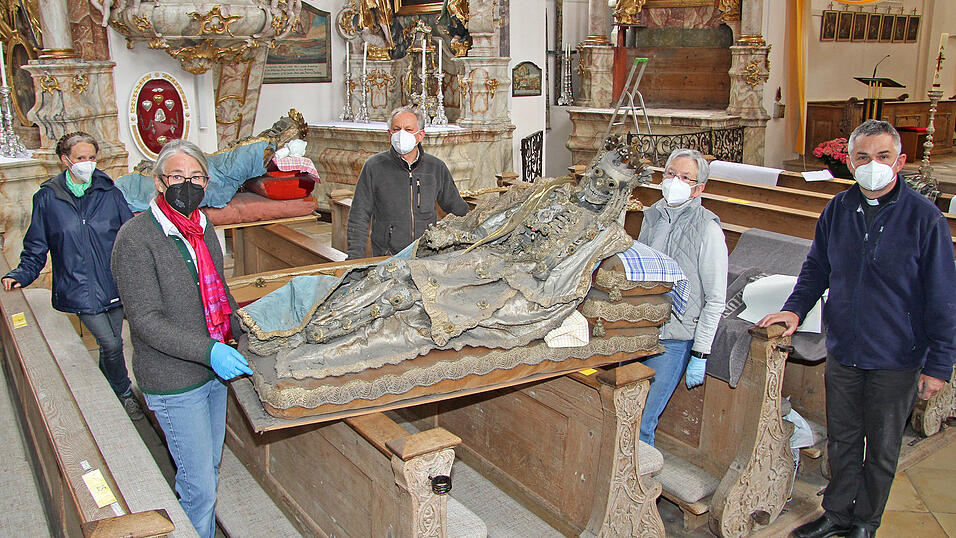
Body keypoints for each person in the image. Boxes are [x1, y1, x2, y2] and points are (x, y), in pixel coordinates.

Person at [757, 120, 956, 538]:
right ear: (850, 161)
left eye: (882, 157)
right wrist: (794, 311)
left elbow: (943, 297)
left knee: (882, 449)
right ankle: (836, 513)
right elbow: (816, 270)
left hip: (897, 355)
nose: (872, 165)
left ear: (900, 162)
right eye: (863, 157)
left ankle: (865, 522)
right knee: (843, 439)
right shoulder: (839, 208)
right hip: (845, 347)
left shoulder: (925, 219)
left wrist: (939, 365)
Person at [110, 139, 253, 538]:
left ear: (206, 183)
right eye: (177, 176)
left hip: (213, 372)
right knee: (199, 487)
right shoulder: (136, 238)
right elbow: (145, 322)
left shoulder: (204, 228)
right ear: (158, 182)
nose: (186, 185)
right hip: (173, 378)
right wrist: (210, 351)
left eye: (195, 177)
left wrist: (245, 331)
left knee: (207, 468)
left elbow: (220, 293)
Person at [2, 132, 143, 420]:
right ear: (65, 160)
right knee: (112, 343)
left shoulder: (110, 193)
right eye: (81, 158)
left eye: (92, 157)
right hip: (78, 287)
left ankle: (109, 390)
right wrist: (21, 273)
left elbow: (130, 237)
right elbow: (36, 245)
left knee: (112, 343)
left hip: (114, 282)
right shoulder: (47, 198)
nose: (87, 163)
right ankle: (125, 391)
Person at [635, 148, 728, 446]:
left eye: (685, 177)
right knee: (625, 414)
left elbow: (715, 298)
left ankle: (640, 487)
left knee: (644, 421)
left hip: (674, 337)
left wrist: (700, 353)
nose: (675, 181)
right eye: (671, 174)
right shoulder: (652, 216)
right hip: (640, 328)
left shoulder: (708, 227)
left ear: (699, 188)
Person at [346, 105, 469, 259]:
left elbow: (457, 208)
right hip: (388, 256)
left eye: (408, 130)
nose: (401, 134)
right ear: (389, 134)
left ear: (420, 135)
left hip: (426, 255)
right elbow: (359, 215)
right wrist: (354, 259)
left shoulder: (435, 167)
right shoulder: (374, 167)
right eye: (396, 129)